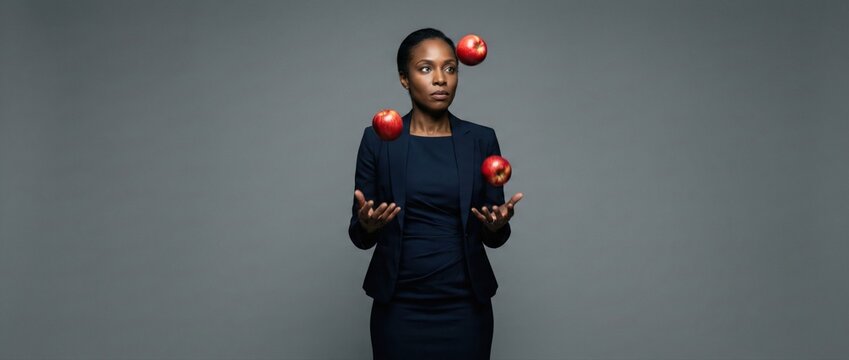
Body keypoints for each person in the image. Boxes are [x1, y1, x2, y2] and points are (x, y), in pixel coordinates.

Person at [348, 28, 524, 360]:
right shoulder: (377, 140)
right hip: (399, 306)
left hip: (465, 307)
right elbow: (359, 236)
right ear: (404, 78)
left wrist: (497, 225)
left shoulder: (481, 139)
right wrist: (368, 225)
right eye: (426, 68)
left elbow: (494, 237)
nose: (441, 79)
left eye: (450, 68)